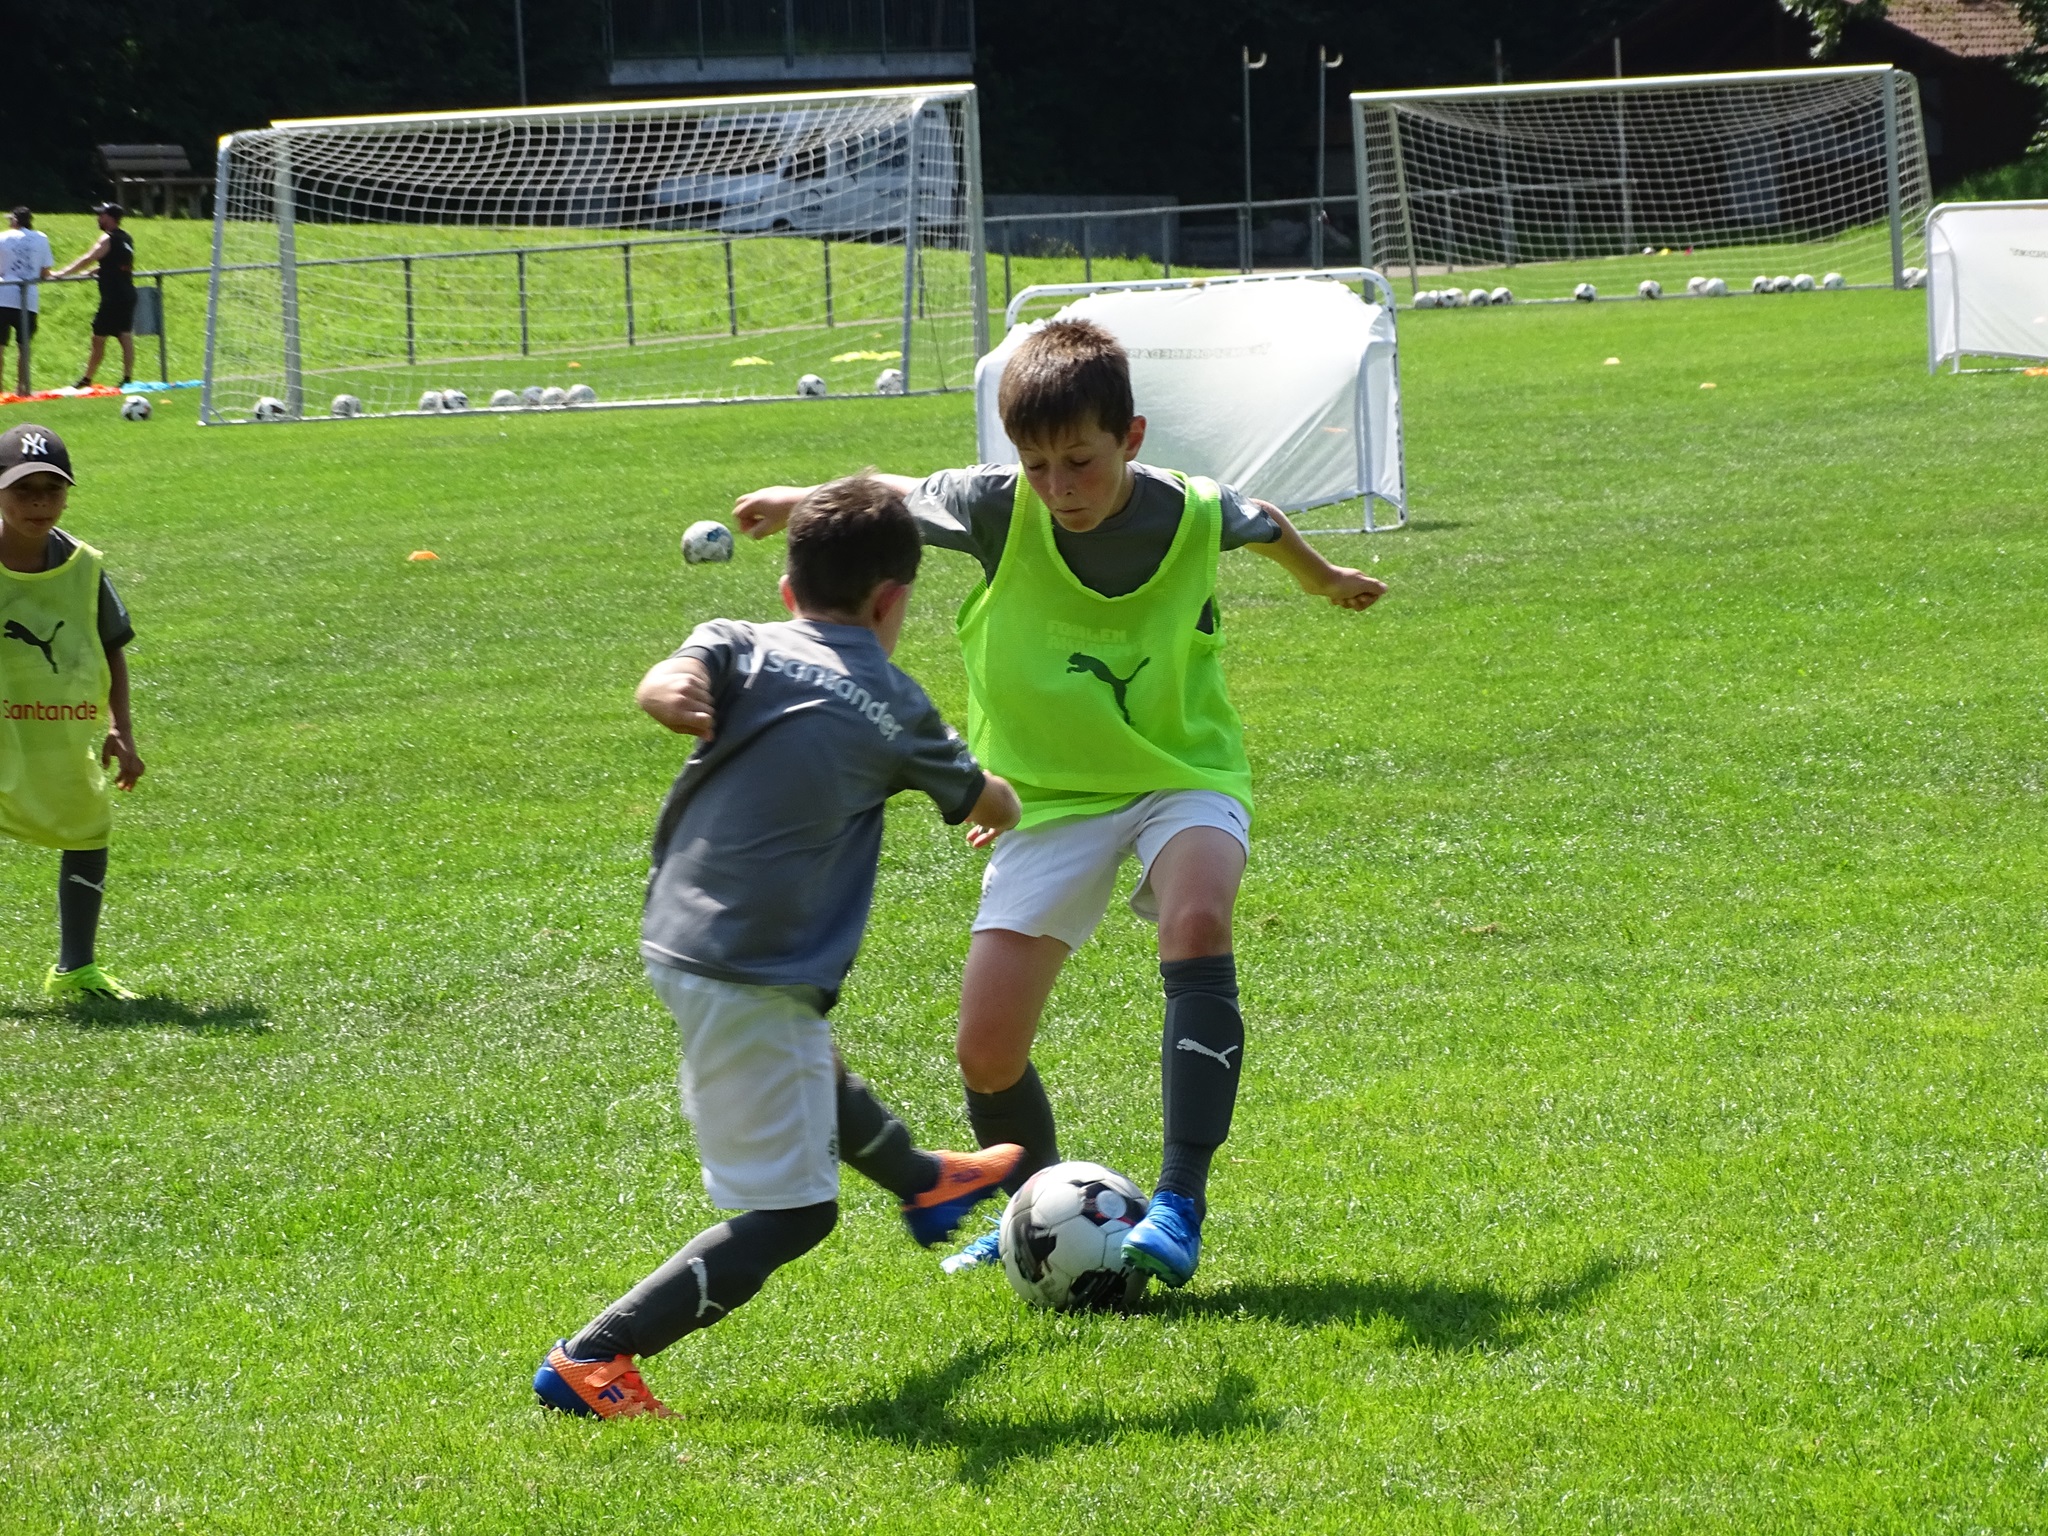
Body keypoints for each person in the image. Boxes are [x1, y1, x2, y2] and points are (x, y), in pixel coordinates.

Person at [733, 319, 1386, 1290]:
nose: (1058, 486)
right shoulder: (996, 509)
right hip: (1044, 800)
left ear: (1130, 437)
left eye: (1079, 460)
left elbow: (1261, 518)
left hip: (1181, 772)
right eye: (1035, 465)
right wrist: (799, 499)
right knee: (986, 1055)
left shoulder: (1190, 511)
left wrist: (1323, 579)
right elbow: (893, 494)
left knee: (1198, 920)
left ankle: (1179, 1202)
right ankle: (1030, 1215)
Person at [534, 474, 1025, 1420]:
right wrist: (1002, 799)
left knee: (810, 1061)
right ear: (893, 601)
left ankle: (924, 1182)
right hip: (750, 967)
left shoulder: (737, 642)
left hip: (684, 933)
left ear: (789, 590)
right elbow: (987, 800)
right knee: (798, 1214)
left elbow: (663, 681)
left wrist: (674, 696)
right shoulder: (897, 703)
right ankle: (592, 1360)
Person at [0, 422, 146, 1001]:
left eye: (52, 489)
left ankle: (75, 967)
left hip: (53, 729)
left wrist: (121, 728)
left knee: (88, 827)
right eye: (23, 490)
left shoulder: (83, 566)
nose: (39, 503)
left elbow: (111, 645)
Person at [53, 203, 136, 389]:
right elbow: (117, 263)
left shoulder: (107, 238)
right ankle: (127, 378)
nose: (98, 218)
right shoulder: (126, 237)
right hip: (128, 293)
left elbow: (88, 257)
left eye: (101, 215)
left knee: (98, 338)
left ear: (110, 217)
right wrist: (96, 271)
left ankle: (87, 379)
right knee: (125, 335)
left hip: (113, 296)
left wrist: (62, 273)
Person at [0, 208, 55, 395]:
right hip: (29, 298)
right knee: (24, 346)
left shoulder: (3, 237)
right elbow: (45, 271)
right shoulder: (41, 238)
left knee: (0, 346)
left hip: (3, 296)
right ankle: (22, 387)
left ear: (15, 220)